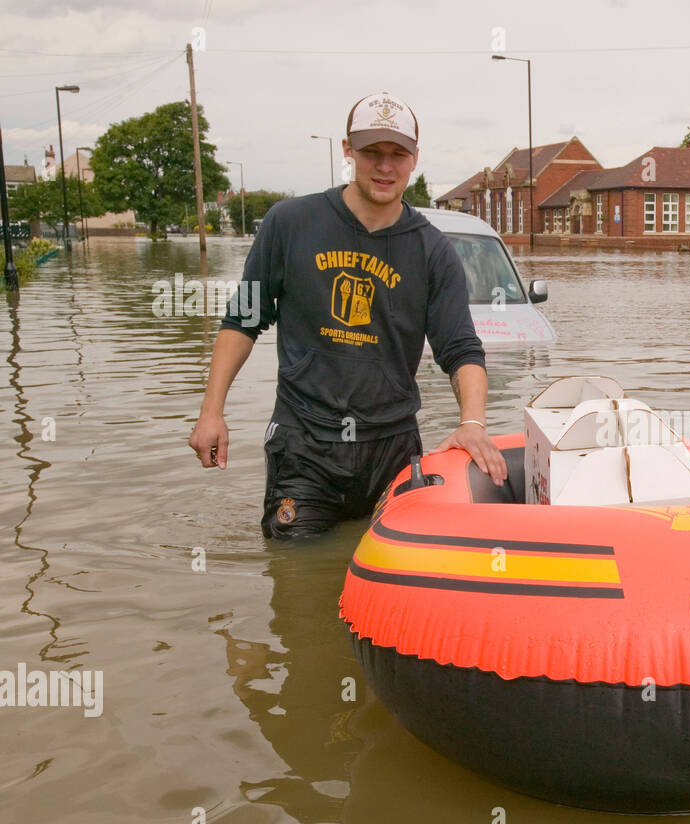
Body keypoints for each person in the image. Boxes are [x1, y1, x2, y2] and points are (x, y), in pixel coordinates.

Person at [188, 91, 507, 538]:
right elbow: (242, 320)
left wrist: (472, 423)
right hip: (304, 446)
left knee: (394, 586)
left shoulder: (433, 250)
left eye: (398, 154)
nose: (384, 166)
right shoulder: (289, 224)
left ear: (415, 158)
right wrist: (211, 411)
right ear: (347, 151)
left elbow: (460, 348)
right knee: (297, 579)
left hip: (392, 451)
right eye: (371, 152)